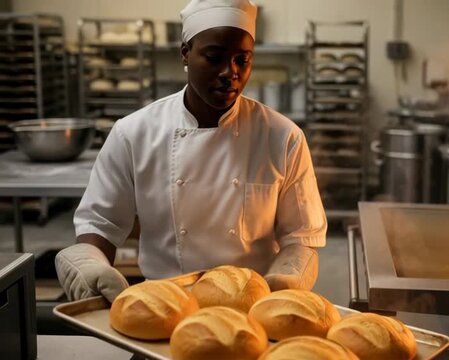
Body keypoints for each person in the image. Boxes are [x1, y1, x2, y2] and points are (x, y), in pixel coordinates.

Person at [55, 0, 327, 302]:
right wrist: (90, 266)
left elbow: (301, 237)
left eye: (243, 59)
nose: (230, 72)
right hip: (162, 304)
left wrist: (287, 278)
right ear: (185, 52)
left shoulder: (283, 137)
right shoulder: (134, 133)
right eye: (214, 57)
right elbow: (99, 224)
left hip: (253, 306)